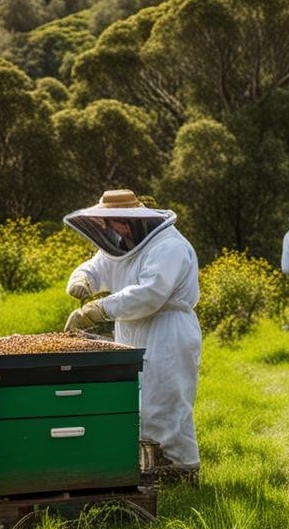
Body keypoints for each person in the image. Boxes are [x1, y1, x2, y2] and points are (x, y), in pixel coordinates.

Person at [63, 189, 202, 481]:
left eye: (112, 223)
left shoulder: (169, 246)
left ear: (129, 222)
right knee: (133, 401)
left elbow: (150, 294)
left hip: (167, 331)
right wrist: (82, 278)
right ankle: (142, 469)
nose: (109, 230)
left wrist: (99, 309)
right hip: (129, 331)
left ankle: (179, 470)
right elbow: (97, 265)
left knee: (164, 401)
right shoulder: (122, 246)